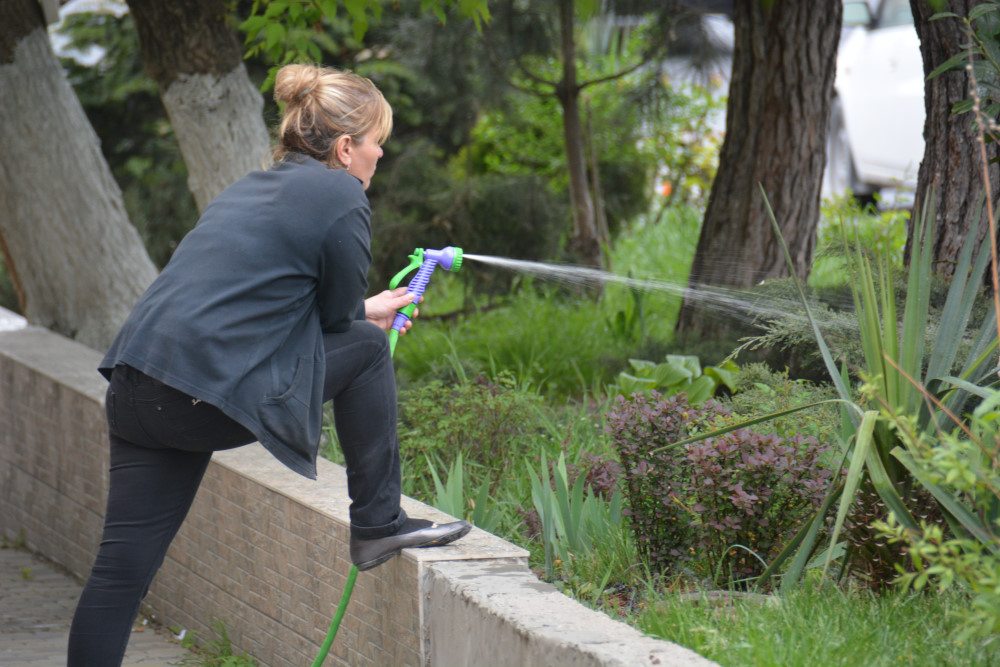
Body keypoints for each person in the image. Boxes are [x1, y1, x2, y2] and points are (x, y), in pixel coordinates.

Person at [67, 64, 470, 666]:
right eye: (375, 141)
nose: (380, 154)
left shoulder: (256, 185)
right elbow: (340, 324)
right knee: (364, 352)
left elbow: (272, 303)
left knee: (119, 573)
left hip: (136, 384)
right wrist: (367, 319)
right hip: (194, 396)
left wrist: (364, 309)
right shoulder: (340, 195)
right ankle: (378, 524)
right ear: (344, 147)